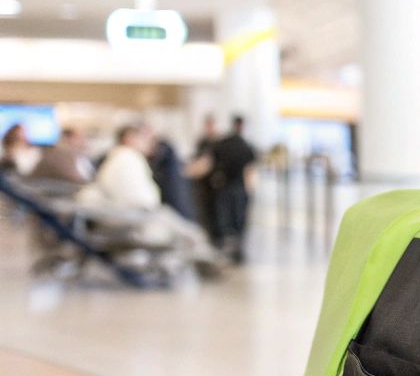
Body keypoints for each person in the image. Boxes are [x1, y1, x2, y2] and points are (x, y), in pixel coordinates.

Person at [76, 122, 222, 276]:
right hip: (133, 218)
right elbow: (137, 198)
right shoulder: (125, 159)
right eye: (144, 138)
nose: (149, 143)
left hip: (135, 215)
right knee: (187, 231)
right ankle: (206, 258)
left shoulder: (121, 158)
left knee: (187, 230)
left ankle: (206, 257)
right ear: (129, 138)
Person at [206, 114, 257, 263]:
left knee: (224, 219)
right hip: (239, 187)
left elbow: (210, 163)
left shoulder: (222, 143)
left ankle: (225, 248)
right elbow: (250, 170)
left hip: (223, 187)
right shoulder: (246, 145)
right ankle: (237, 250)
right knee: (238, 220)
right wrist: (250, 190)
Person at [28, 129, 95, 185]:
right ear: (68, 139)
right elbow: (76, 179)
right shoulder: (58, 155)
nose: (83, 141)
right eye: (78, 138)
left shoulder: (78, 155)